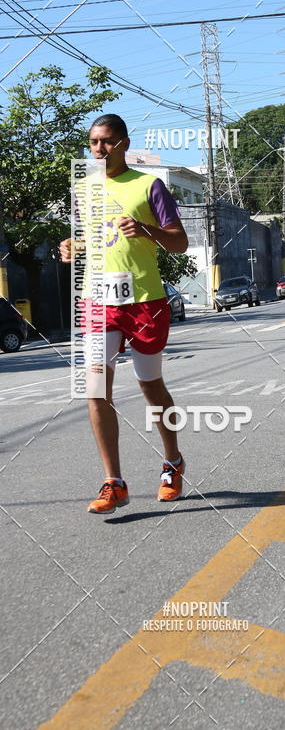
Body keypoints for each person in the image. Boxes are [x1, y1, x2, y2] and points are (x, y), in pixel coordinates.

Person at [60, 114, 189, 514]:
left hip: (145, 300)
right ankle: (113, 481)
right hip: (98, 300)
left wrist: (147, 231)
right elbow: (91, 239)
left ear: (124, 143)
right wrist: (71, 247)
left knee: (150, 385)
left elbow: (180, 243)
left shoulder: (149, 185)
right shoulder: (82, 188)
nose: (99, 149)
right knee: (95, 388)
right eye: (94, 143)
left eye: (107, 142)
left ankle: (173, 461)